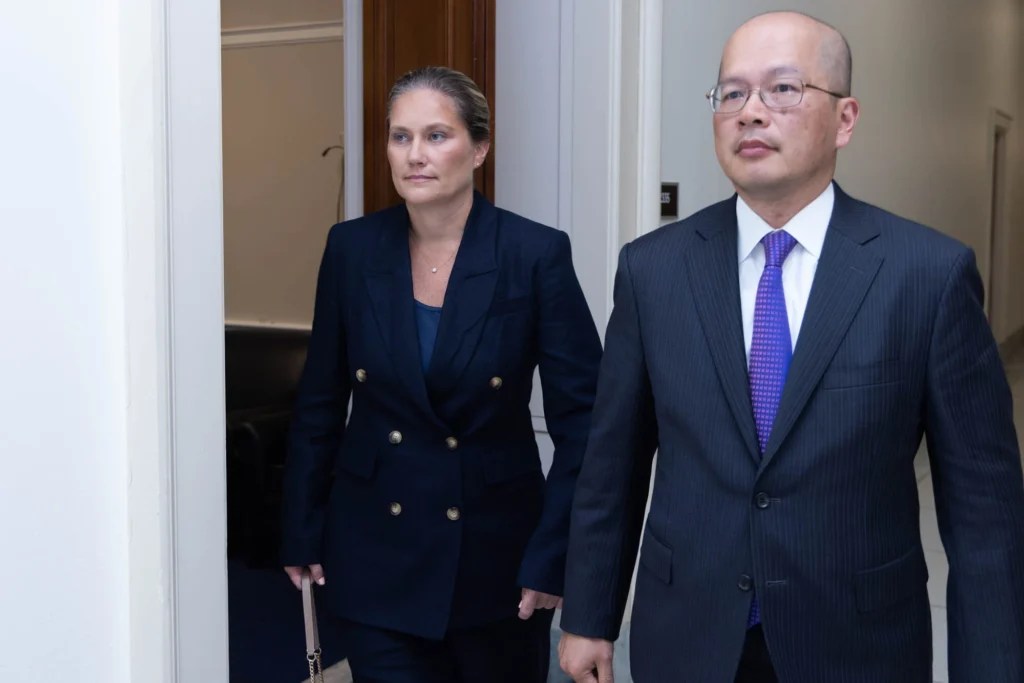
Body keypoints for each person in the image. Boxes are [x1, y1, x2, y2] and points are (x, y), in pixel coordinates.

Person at [558, 11, 1024, 683]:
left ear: (846, 119)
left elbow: (984, 511)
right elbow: (613, 462)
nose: (751, 112)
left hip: (856, 642)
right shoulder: (652, 270)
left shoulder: (927, 275)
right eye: (732, 93)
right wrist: (589, 614)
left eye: (782, 90)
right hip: (689, 633)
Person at [279, 66, 602, 682]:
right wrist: (301, 526)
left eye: (436, 136)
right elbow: (319, 402)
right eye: (401, 138)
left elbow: (585, 424)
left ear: (479, 148)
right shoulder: (351, 249)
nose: (415, 156)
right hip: (375, 547)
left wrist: (557, 556)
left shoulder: (534, 254)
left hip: (496, 559)